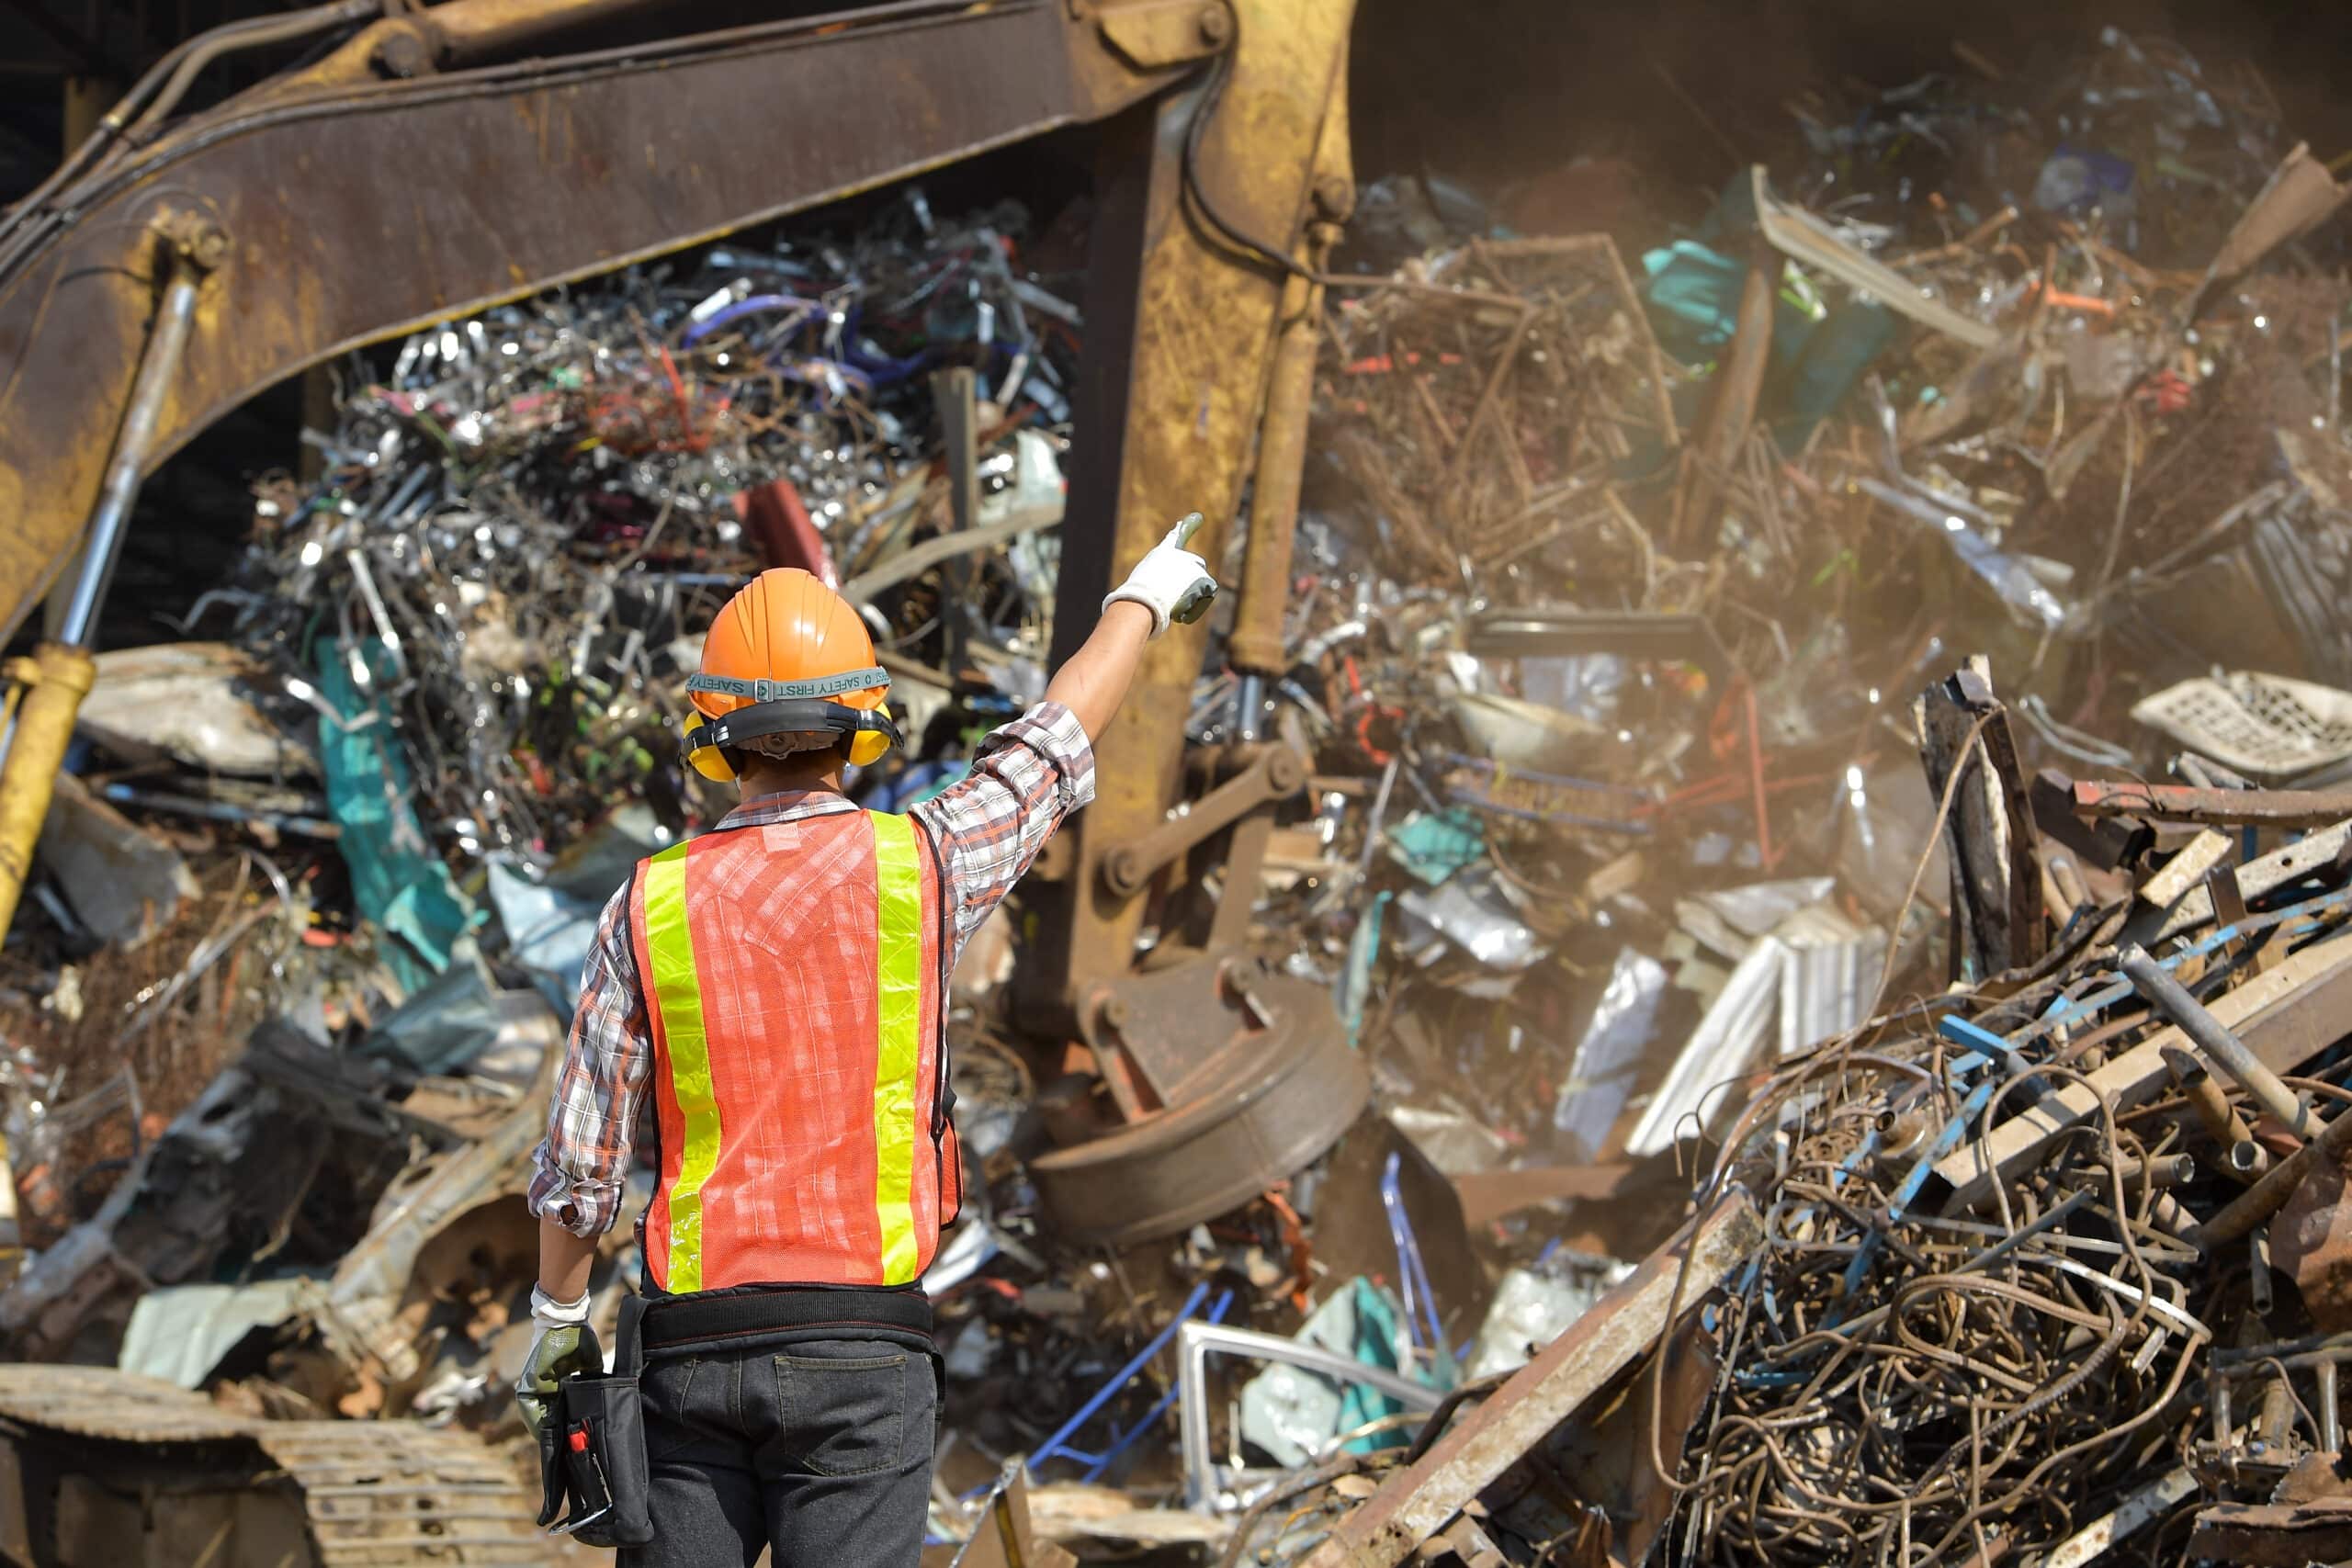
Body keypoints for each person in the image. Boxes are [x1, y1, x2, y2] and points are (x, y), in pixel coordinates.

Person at [514, 516, 1216, 1567]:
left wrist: (556, 1313)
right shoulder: (923, 868)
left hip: (689, 1355)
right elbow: (1055, 740)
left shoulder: (647, 903)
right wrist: (1143, 598)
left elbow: (584, 1165)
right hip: (863, 1356)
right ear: (862, 725)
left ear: (717, 736)